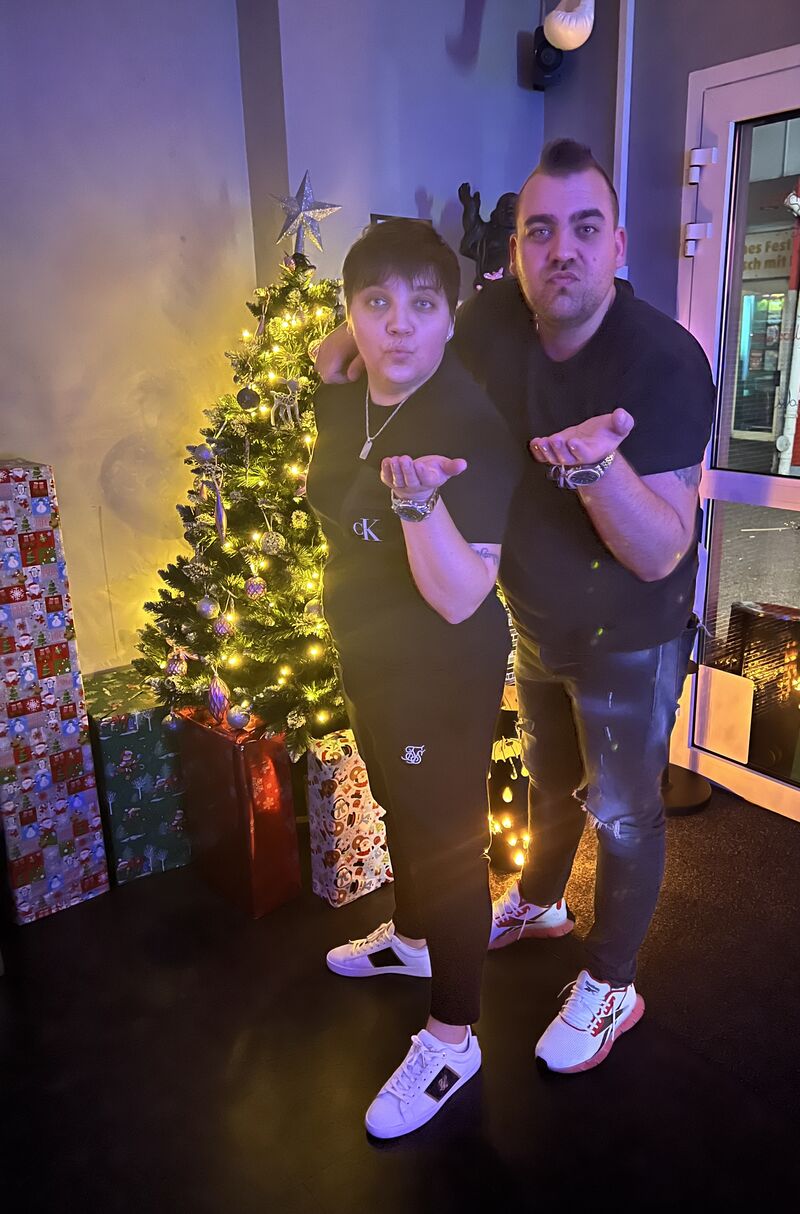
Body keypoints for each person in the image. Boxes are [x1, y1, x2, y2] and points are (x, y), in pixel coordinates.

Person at [314, 140, 715, 1076]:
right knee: (548, 778)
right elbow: (404, 322)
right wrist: (345, 340)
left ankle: (611, 982)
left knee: (622, 811)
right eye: (541, 231)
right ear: (516, 253)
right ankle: (539, 903)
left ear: (617, 245)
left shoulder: (666, 361)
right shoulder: (494, 317)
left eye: (585, 228)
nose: (561, 249)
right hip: (532, 614)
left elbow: (662, 548)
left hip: (630, 631)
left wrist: (596, 466)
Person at [305, 219, 525, 1138]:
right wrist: (341, 345)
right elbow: (329, 364)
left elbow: (463, 595)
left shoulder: (470, 427)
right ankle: (412, 938)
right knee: (398, 803)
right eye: (377, 303)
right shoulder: (346, 391)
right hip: (369, 655)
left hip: (440, 669)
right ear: (352, 313)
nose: (399, 324)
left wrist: (417, 502)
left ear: (450, 316)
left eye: (422, 305)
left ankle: (453, 1036)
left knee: (445, 842)